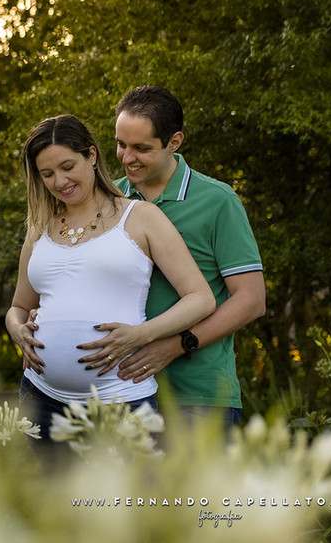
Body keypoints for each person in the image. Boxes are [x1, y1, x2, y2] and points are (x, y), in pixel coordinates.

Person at [4, 115, 215, 445]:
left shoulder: (140, 217)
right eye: (47, 174)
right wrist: (17, 330)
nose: (60, 181)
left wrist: (140, 335)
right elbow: (19, 307)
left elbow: (201, 298)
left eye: (67, 166)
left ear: (91, 155)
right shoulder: (39, 228)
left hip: (121, 400)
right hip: (40, 397)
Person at [108, 86, 265, 427]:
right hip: (120, 391)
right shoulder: (108, 200)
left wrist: (176, 345)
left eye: (141, 148)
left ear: (174, 142)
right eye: (121, 144)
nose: (127, 157)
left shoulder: (218, 200)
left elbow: (251, 300)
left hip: (199, 397)